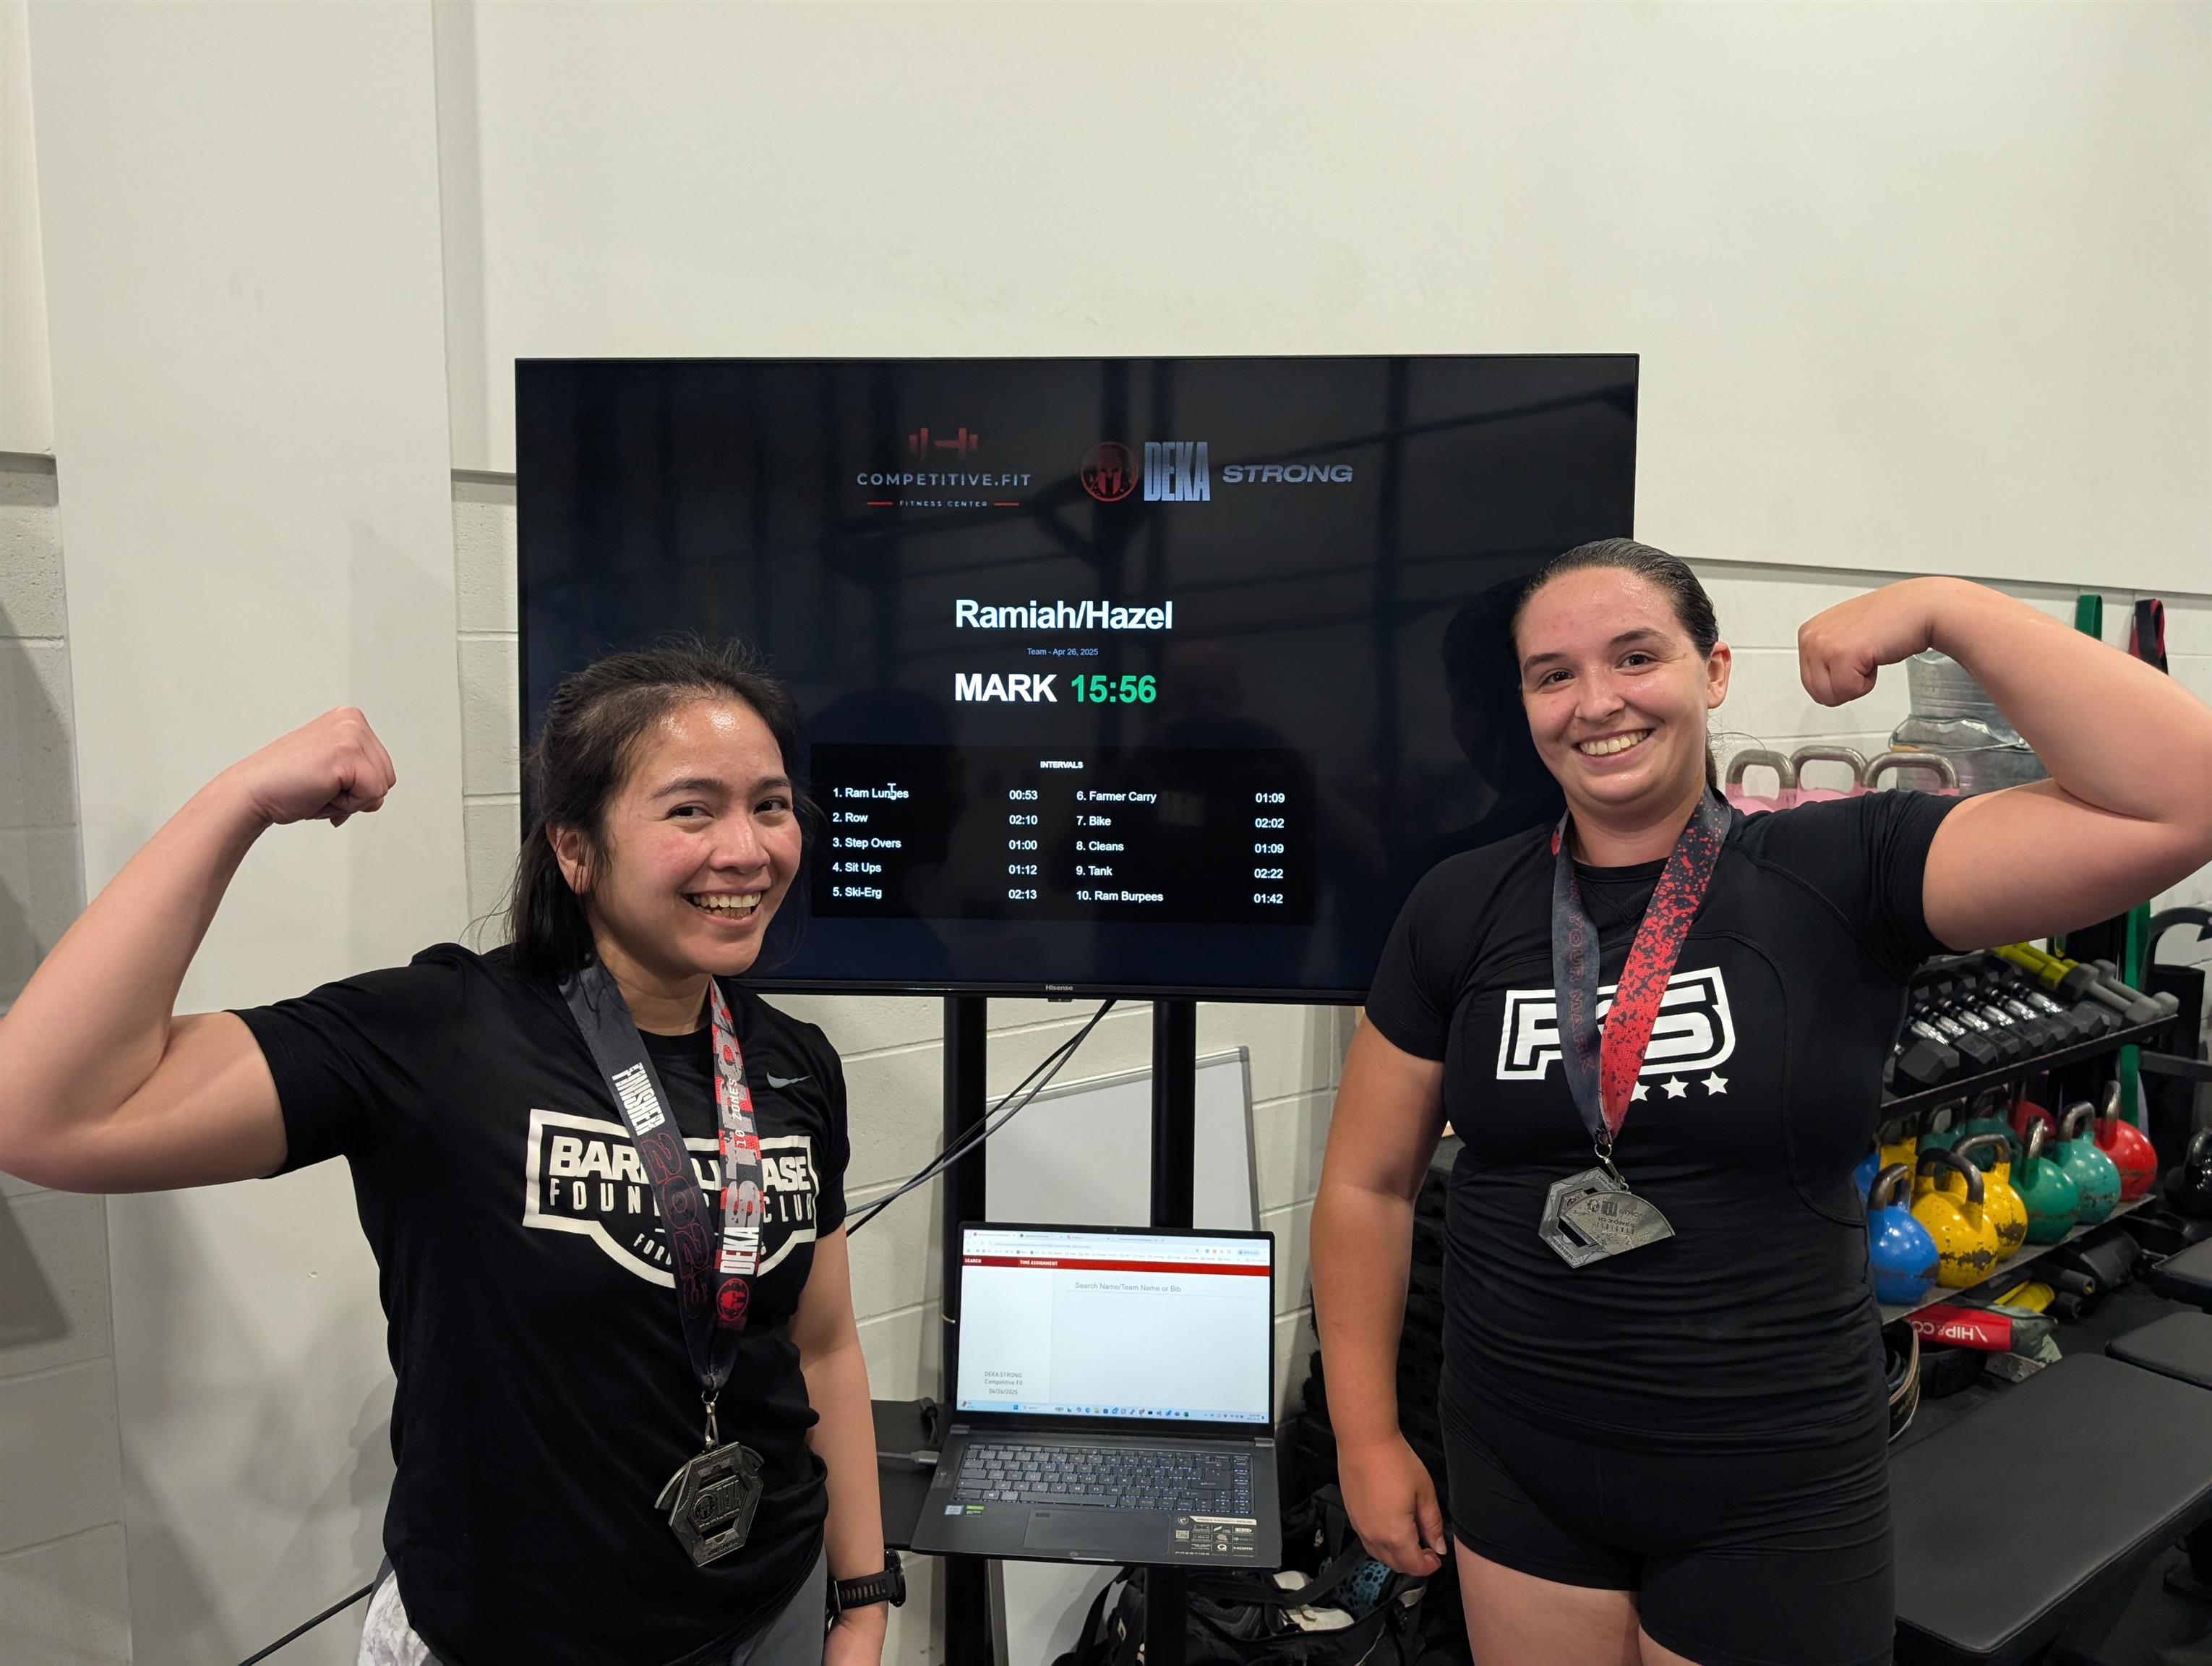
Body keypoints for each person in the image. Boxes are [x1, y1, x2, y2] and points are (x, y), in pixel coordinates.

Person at [1310, 540, 2212, 1666]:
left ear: (1716, 670)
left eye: (1636, 656)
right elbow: (1368, 1182)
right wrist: (1364, 1437)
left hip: (1771, 1477)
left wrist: (1949, 608)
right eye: (1553, 674)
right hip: (1520, 1459)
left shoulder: (1843, 866)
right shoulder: (1459, 905)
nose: (1597, 701)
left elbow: (2182, 801)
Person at [0, 643, 896, 1666]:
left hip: (771, 1609)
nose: (747, 850)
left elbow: (822, 1345)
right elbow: (43, 1114)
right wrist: (236, 801)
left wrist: (862, 1603)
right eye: (691, 810)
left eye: (771, 806)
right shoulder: (440, 1034)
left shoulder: (793, 1064)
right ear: (576, 850)